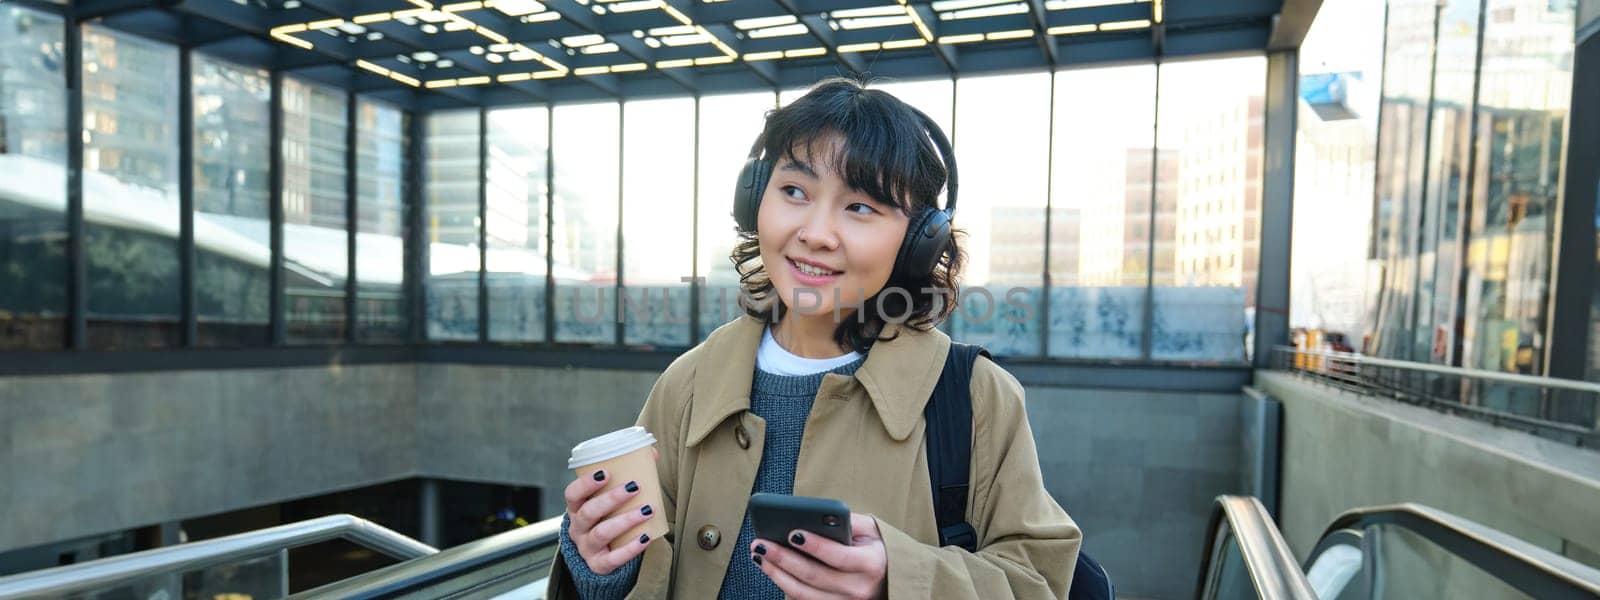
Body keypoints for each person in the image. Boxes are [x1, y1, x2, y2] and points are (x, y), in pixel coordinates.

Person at [547, 77, 1081, 599]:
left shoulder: (973, 395)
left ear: (921, 240)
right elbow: (642, 564)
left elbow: (1038, 579)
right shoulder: (689, 382)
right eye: (794, 191)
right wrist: (603, 567)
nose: (816, 233)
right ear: (754, 199)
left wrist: (898, 579)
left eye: (860, 207)